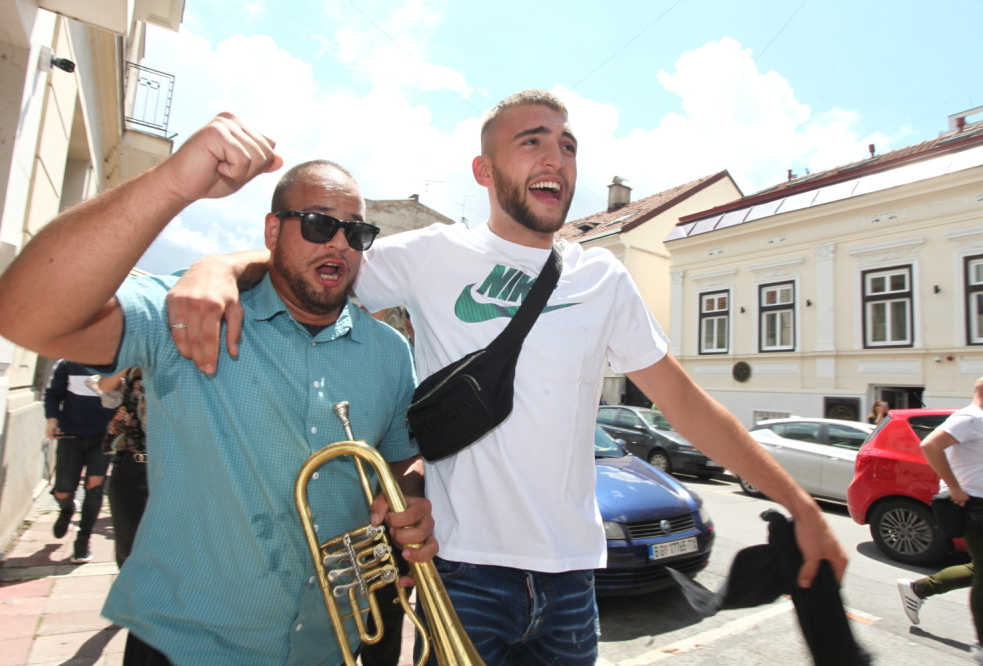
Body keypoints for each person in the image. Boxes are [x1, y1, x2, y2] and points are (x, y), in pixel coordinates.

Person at [163, 90, 848, 665]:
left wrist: (802, 504)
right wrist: (218, 267)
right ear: (484, 171)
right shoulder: (434, 254)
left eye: (569, 145)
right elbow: (315, 263)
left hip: (573, 585)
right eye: (533, 142)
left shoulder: (601, 277)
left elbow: (688, 406)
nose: (557, 157)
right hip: (461, 575)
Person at [0, 113, 437, 666]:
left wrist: (409, 497)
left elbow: (400, 460)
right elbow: (21, 314)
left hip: (327, 647)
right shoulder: (192, 311)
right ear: (273, 232)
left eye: (357, 232)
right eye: (319, 224)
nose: (340, 244)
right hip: (185, 648)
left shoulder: (389, 352)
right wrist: (172, 182)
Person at [897, 377, 983, 657]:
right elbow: (930, 446)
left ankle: (918, 589)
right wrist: (955, 487)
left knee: (978, 567)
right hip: (973, 505)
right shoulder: (970, 417)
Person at [43, 359, 116, 563]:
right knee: (63, 490)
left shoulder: (116, 362)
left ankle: (82, 542)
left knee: (94, 487)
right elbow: (53, 394)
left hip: (103, 437)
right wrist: (52, 421)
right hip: (71, 435)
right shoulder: (67, 363)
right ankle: (67, 508)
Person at [93, 367, 148, 568]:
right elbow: (106, 388)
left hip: (179, 467)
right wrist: (129, 357)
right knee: (128, 550)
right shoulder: (132, 368)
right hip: (131, 465)